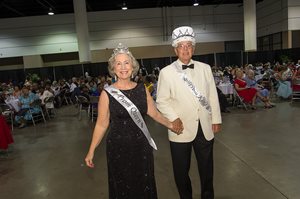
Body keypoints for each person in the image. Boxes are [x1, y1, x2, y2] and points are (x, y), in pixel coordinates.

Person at [85, 43, 182, 199]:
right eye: (119, 63)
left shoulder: (142, 89)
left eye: (127, 62)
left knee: (144, 184)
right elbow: (102, 124)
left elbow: (154, 113)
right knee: (122, 186)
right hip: (118, 147)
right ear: (113, 68)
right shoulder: (107, 93)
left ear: (133, 66)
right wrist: (91, 150)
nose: (123, 67)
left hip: (141, 146)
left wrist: (171, 125)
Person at [156, 26, 222, 199]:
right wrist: (174, 118)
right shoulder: (166, 72)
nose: (185, 49)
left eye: (189, 45)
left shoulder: (205, 68)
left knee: (207, 170)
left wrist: (216, 118)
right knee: (180, 171)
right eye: (181, 46)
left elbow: (212, 96)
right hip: (180, 129)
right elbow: (161, 100)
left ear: (194, 47)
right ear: (175, 49)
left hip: (205, 127)